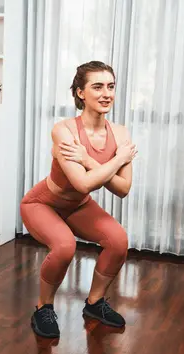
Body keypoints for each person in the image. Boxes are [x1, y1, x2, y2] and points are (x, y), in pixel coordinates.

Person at [20, 61, 137, 338]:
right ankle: (43, 308)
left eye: (110, 86)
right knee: (64, 246)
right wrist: (117, 159)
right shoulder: (64, 131)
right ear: (80, 92)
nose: (106, 93)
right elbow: (82, 182)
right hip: (43, 203)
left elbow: (123, 188)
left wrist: (87, 159)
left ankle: (95, 303)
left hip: (78, 205)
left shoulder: (120, 133)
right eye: (97, 86)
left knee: (118, 241)